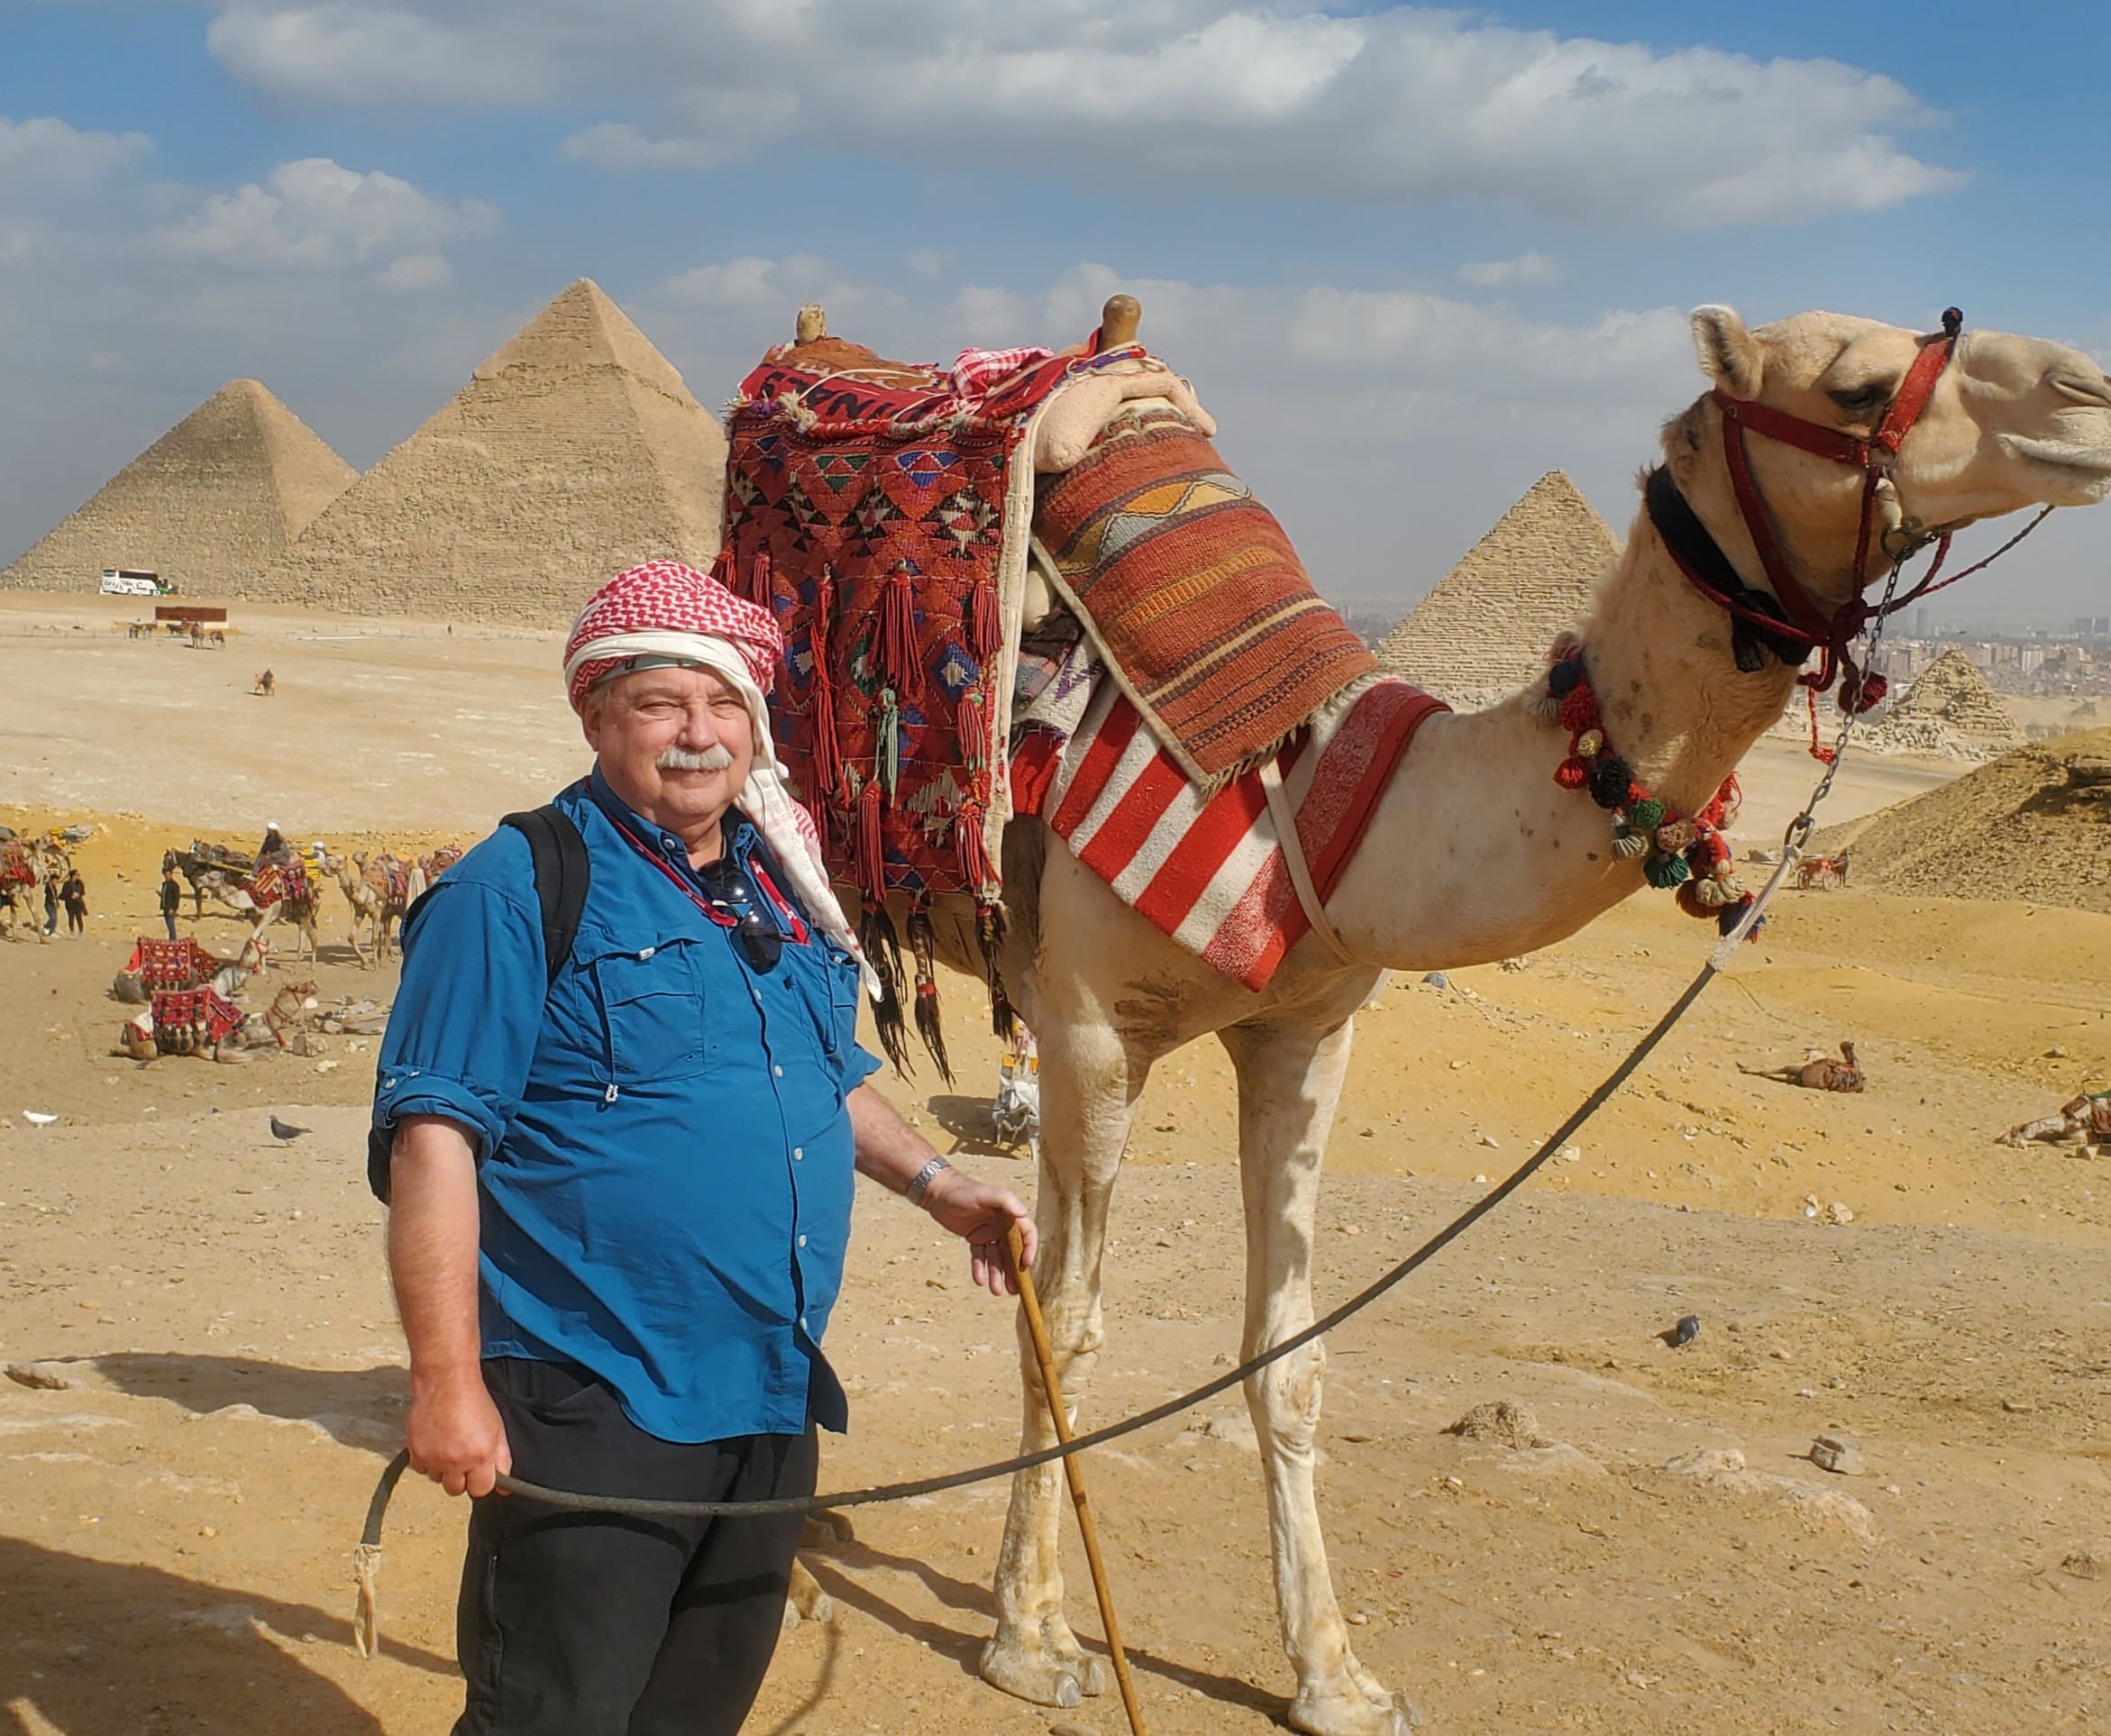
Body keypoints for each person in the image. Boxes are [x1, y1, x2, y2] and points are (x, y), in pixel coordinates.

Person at [368, 561, 1035, 1736]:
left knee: (696, 1708)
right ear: (593, 713)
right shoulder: (516, 888)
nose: (698, 732)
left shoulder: (777, 887)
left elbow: (821, 1078)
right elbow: (433, 1145)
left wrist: (943, 1186)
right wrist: (443, 1382)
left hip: (767, 1393)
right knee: (554, 1712)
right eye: (660, 702)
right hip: (595, 1391)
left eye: (724, 704)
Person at [160, 865, 183, 941]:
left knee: (171, 926)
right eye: (166, 875)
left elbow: (176, 898)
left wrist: (173, 908)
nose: (167, 876)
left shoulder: (174, 885)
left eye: (168, 875)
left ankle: (173, 940)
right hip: (165, 908)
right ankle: (171, 939)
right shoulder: (165, 884)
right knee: (168, 926)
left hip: (171, 909)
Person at [60, 869, 85, 937]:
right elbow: (64, 892)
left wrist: (78, 894)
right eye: (77, 875)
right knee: (71, 917)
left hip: (78, 902)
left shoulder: (80, 883)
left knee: (79, 917)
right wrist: (71, 895)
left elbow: (82, 892)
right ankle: (72, 931)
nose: (79, 876)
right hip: (70, 902)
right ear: (73, 876)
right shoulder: (67, 884)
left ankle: (81, 932)